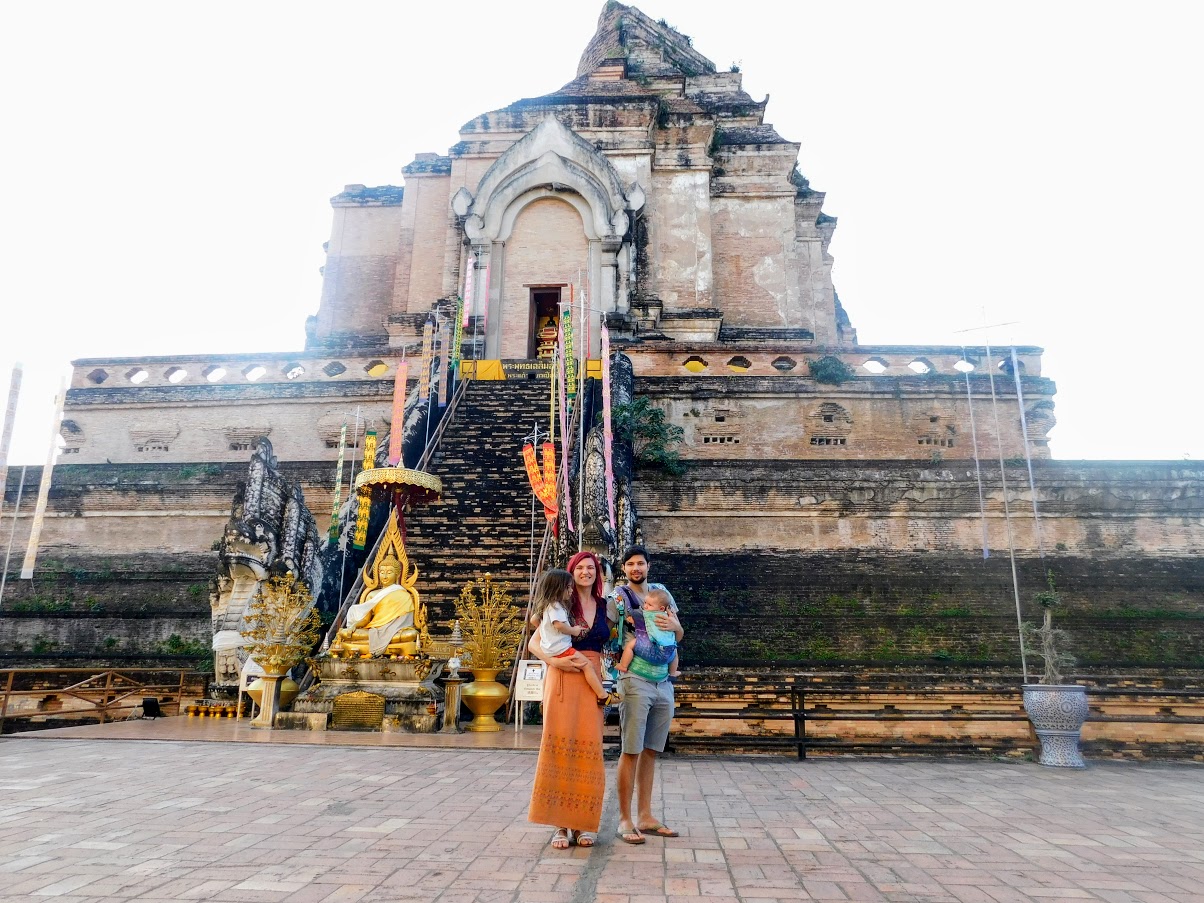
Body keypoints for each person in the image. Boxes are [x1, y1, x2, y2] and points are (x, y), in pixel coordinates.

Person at [526, 552, 612, 850]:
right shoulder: (560, 605)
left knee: (588, 748)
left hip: (591, 679)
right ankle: (560, 826)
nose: (586, 573)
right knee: (559, 746)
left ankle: (584, 823)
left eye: (591, 568)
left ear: (597, 573)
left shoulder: (605, 606)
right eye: (580, 568)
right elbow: (534, 643)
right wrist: (554, 662)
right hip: (562, 674)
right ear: (571, 573)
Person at [607, 546, 684, 844]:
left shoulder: (662, 593)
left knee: (651, 749)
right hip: (635, 678)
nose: (636, 568)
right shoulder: (618, 598)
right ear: (624, 569)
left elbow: (678, 631)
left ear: (649, 566)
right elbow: (606, 629)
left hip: (663, 679)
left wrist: (676, 627)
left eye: (640, 563)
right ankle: (625, 819)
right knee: (631, 749)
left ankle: (646, 815)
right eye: (630, 564)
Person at [532, 570, 608, 703]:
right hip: (563, 653)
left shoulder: (547, 606)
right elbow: (559, 626)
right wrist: (574, 631)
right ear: (558, 588)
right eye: (568, 587)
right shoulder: (557, 607)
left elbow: (534, 620)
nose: (571, 590)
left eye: (591, 567)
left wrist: (546, 632)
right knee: (587, 665)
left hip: (553, 651)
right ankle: (603, 696)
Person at [617, 587, 680, 680]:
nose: (645, 606)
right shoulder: (669, 616)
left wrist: (634, 621)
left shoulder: (649, 614)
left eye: (649, 605)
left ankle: (623, 665)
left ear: (661, 608)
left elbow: (644, 624)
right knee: (674, 650)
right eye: (645, 603)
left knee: (631, 645)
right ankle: (673, 672)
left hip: (654, 650)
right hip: (668, 650)